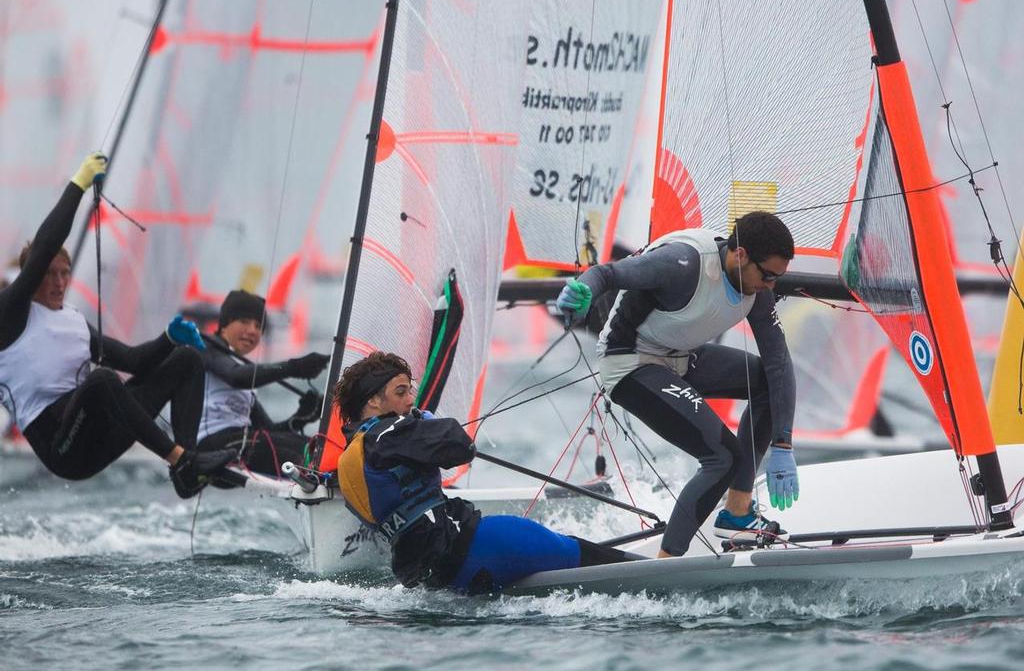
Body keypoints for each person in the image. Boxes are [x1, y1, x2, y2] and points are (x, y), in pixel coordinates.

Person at [556, 211, 799, 558]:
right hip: (631, 362)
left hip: (680, 357)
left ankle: (738, 515)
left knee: (766, 384)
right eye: (769, 275)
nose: (772, 287)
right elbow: (608, 273)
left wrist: (783, 445)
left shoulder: (755, 288)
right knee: (722, 456)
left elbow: (779, 364)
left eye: (778, 278)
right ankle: (666, 562)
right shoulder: (682, 265)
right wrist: (582, 291)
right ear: (741, 255)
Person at [0, 154, 235, 498]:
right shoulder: (10, 316)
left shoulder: (74, 322)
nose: (59, 281)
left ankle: (188, 470)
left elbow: (136, 362)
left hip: (103, 433)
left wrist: (169, 338)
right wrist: (78, 184)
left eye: (65, 273)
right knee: (102, 380)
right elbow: (46, 245)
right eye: (50, 273)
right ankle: (182, 460)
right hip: (65, 453)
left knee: (187, 360)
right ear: (31, 278)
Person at [334, 352, 633, 594]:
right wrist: (422, 422)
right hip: (472, 546)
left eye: (410, 389)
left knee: (559, 557)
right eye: (401, 391)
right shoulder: (391, 433)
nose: (411, 399)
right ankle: (661, 571)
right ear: (373, 400)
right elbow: (460, 446)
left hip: (430, 577)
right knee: (576, 552)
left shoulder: (350, 458)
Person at [196, 289, 329, 476]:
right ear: (224, 324)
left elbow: (269, 432)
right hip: (211, 446)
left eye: (259, 326)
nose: (252, 330)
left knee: (317, 448)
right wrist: (293, 367)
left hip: (238, 442)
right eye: (244, 321)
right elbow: (237, 377)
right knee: (307, 455)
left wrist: (302, 417)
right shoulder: (207, 348)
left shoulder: (242, 368)